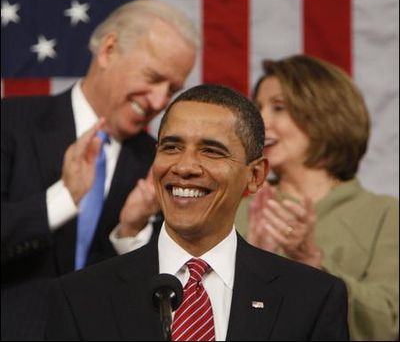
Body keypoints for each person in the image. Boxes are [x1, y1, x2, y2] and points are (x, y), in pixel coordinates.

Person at [45, 84, 349, 341]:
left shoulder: (312, 299)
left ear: (255, 176)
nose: (185, 166)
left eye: (211, 151)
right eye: (172, 147)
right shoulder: (80, 298)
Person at [1, 0, 199, 340]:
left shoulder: (156, 163)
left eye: (172, 89)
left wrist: (131, 231)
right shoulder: (12, 121)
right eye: (153, 78)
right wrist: (64, 199)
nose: (158, 101)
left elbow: (163, 287)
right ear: (108, 50)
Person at [235, 55, 399, 341]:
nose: (260, 121)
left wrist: (314, 264)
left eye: (278, 107)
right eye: (258, 108)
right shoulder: (237, 206)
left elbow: (387, 322)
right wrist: (251, 262)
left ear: (325, 115)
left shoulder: (384, 214)